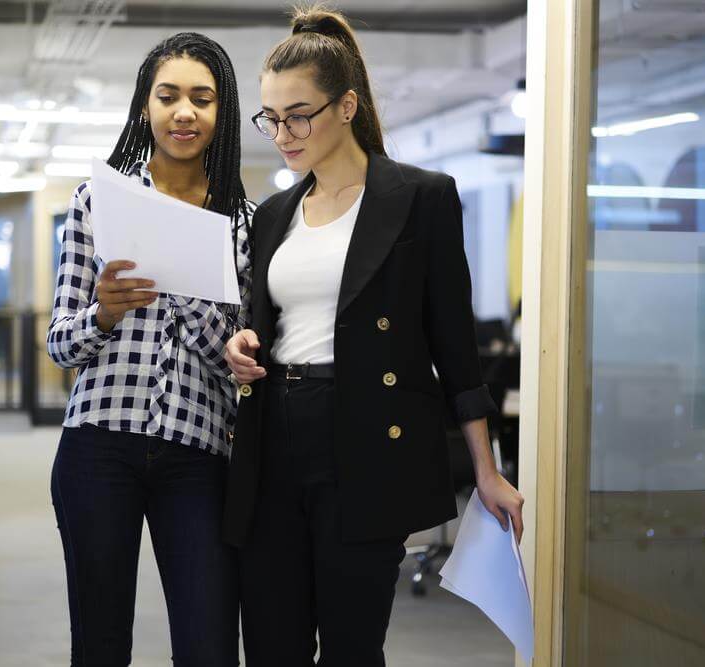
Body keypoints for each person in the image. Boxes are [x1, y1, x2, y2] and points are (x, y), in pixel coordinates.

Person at [222, 7, 524, 666]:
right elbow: (263, 321)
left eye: (298, 113)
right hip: (273, 434)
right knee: (272, 643)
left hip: (365, 438)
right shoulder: (273, 213)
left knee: (353, 645)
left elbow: (455, 347)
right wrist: (243, 347)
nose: (282, 132)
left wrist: (487, 471)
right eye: (270, 117)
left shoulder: (420, 198)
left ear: (347, 104)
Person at [46, 32, 252, 667]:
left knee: (208, 645)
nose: (184, 112)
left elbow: (237, 365)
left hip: (199, 455)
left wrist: (180, 285)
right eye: (168, 97)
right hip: (98, 444)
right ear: (145, 107)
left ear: (222, 114)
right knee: (101, 644)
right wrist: (104, 313)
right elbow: (60, 342)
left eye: (201, 98)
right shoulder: (97, 203)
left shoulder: (244, 223)